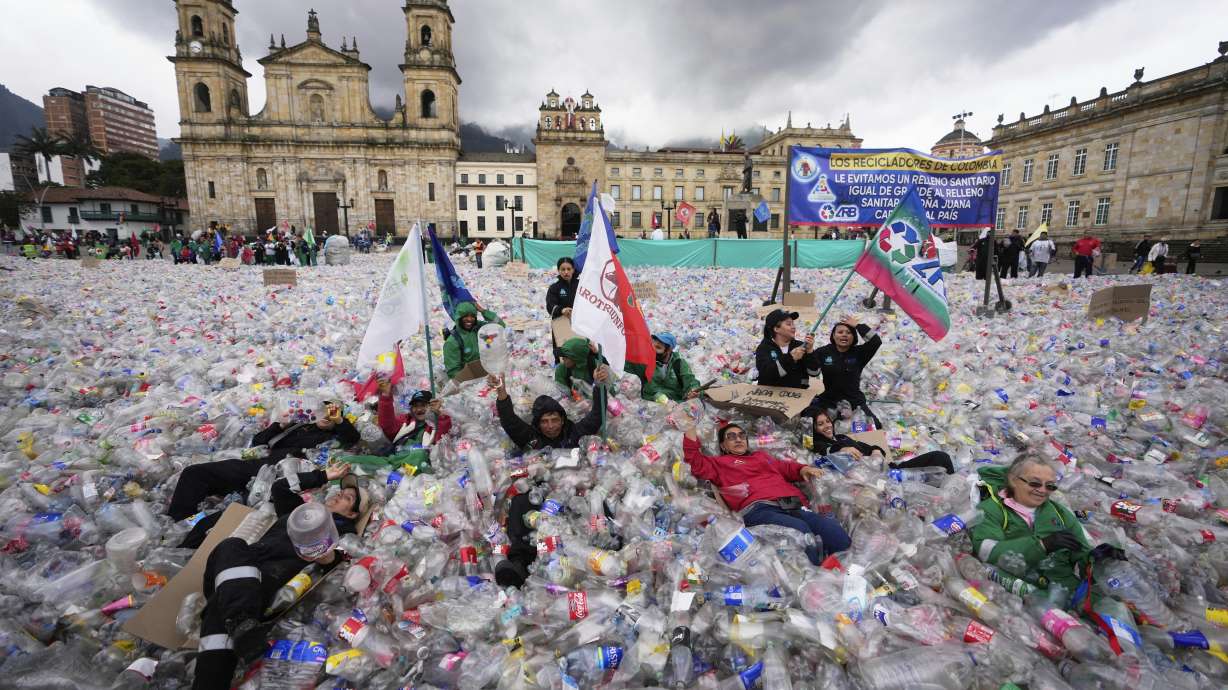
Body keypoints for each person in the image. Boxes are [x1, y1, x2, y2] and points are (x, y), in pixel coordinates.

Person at [190, 463, 365, 690]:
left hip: (271, 575)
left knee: (220, 607)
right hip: (240, 566)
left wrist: (325, 556)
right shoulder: (299, 514)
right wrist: (322, 475)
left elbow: (338, 561)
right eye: (341, 491)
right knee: (232, 546)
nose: (340, 494)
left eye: (348, 498)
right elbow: (280, 488)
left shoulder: (343, 531)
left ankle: (236, 633)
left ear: (351, 513)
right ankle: (242, 625)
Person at [682, 422, 849, 565]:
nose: (738, 439)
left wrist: (803, 468)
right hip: (760, 510)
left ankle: (851, 575)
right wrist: (690, 423)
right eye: (731, 437)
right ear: (723, 446)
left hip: (793, 504)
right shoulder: (718, 464)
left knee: (832, 530)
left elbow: (785, 468)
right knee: (801, 533)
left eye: (741, 435)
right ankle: (815, 583)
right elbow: (694, 460)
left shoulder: (761, 457)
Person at [167, 401, 360, 523]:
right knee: (194, 473)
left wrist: (340, 421)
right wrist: (280, 425)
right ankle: (180, 523)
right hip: (260, 466)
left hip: (284, 481)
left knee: (240, 515)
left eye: (332, 414)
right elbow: (258, 442)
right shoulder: (299, 424)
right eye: (323, 411)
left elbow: (353, 439)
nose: (326, 416)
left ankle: (197, 534)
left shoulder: (336, 438)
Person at [970, 456, 1125, 592]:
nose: (1042, 490)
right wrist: (1041, 546)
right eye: (1035, 483)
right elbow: (985, 551)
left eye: (1050, 486)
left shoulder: (1060, 514)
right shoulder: (991, 510)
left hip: (1066, 590)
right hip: (1021, 595)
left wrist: (1099, 559)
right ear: (1013, 480)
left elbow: (1082, 556)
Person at [336, 384, 452, 475]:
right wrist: (386, 396)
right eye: (416, 406)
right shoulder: (406, 421)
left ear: (431, 406)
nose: (419, 409)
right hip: (391, 461)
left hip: (415, 466)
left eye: (423, 405)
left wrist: (440, 415)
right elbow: (387, 425)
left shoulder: (436, 423)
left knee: (419, 453)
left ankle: (394, 477)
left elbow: (441, 440)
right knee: (344, 461)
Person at [806, 408, 953, 473]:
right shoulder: (819, 445)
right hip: (883, 480)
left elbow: (873, 447)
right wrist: (842, 450)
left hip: (891, 468)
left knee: (939, 457)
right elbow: (824, 449)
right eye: (820, 424)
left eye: (827, 421)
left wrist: (876, 451)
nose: (827, 426)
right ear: (813, 429)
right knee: (941, 459)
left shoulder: (841, 437)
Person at [488, 372, 606, 451]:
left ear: (563, 420)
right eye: (544, 422)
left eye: (554, 420)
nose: (550, 426)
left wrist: (599, 385)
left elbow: (597, 415)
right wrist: (501, 391)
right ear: (537, 424)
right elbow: (509, 420)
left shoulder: (574, 433)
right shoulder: (531, 438)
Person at [809, 316, 882, 428]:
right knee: (811, 423)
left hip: (854, 402)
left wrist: (857, 325)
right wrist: (809, 352)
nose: (844, 335)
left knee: (874, 427)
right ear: (833, 335)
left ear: (854, 337)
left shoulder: (859, 353)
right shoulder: (823, 352)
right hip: (829, 401)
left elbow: (876, 341)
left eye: (848, 332)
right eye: (840, 332)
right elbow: (813, 373)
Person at [626, 332, 702, 402]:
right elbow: (626, 364)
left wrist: (694, 391)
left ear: (668, 350)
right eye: (652, 346)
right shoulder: (644, 361)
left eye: (658, 347)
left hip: (674, 405)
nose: (653, 350)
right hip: (649, 404)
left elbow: (690, 380)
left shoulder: (679, 363)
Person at [755, 309, 816, 389]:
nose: (793, 327)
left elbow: (814, 372)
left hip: (796, 397)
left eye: (793, 324)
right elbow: (768, 373)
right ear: (776, 329)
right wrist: (791, 358)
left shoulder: (800, 346)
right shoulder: (764, 348)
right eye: (788, 324)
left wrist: (810, 351)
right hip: (770, 397)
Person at [443, 301, 504, 379]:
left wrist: (483, 311)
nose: (469, 319)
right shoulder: (453, 342)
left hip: (488, 373)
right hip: (470, 379)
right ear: (459, 317)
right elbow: (453, 372)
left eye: (472, 316)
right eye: (465, 316)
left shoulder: (479, 328)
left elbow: (500, 326)